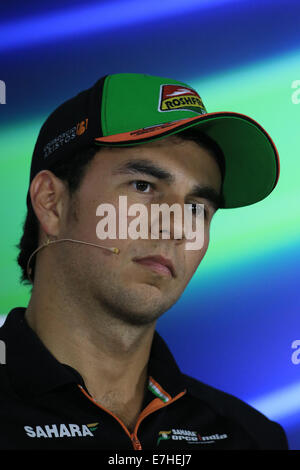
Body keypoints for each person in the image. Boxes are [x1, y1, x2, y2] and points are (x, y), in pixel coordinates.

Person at [0, 73, 288, 450]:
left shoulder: (250, 436)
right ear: (51, 202)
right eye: (143, 186)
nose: (177, 227)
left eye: (197, 208)